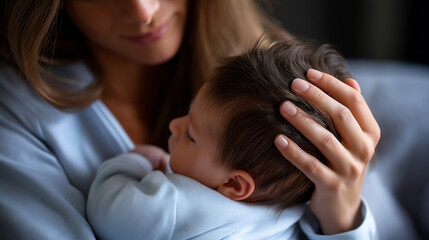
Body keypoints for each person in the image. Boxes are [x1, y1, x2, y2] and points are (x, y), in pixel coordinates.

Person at [0, 0, 380, 239]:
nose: (143, 12)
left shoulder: (260, 78)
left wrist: (344, 214)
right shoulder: (16, 110)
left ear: (236, 184)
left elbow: (113, 209)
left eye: (193, 135)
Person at [87, 38, 377, 239]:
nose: (174, 125)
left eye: (189, 136)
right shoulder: (303, 215)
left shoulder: (174, 204)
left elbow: (107, 211)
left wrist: (134, 163)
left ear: (234, 184)